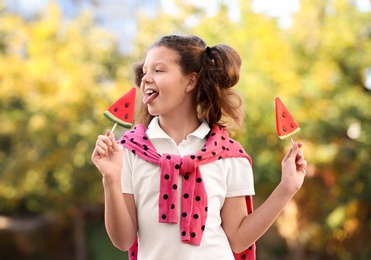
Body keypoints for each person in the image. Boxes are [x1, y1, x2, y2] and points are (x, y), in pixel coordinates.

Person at [91, 35, 307, 260]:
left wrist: (287, 187)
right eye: (145, 71)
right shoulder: (129, 152)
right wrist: (111, 179)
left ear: (190, 81)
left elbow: (239, 238)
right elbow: (123, 240)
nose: (146, 79)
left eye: (159, 70)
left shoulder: (229, 155)